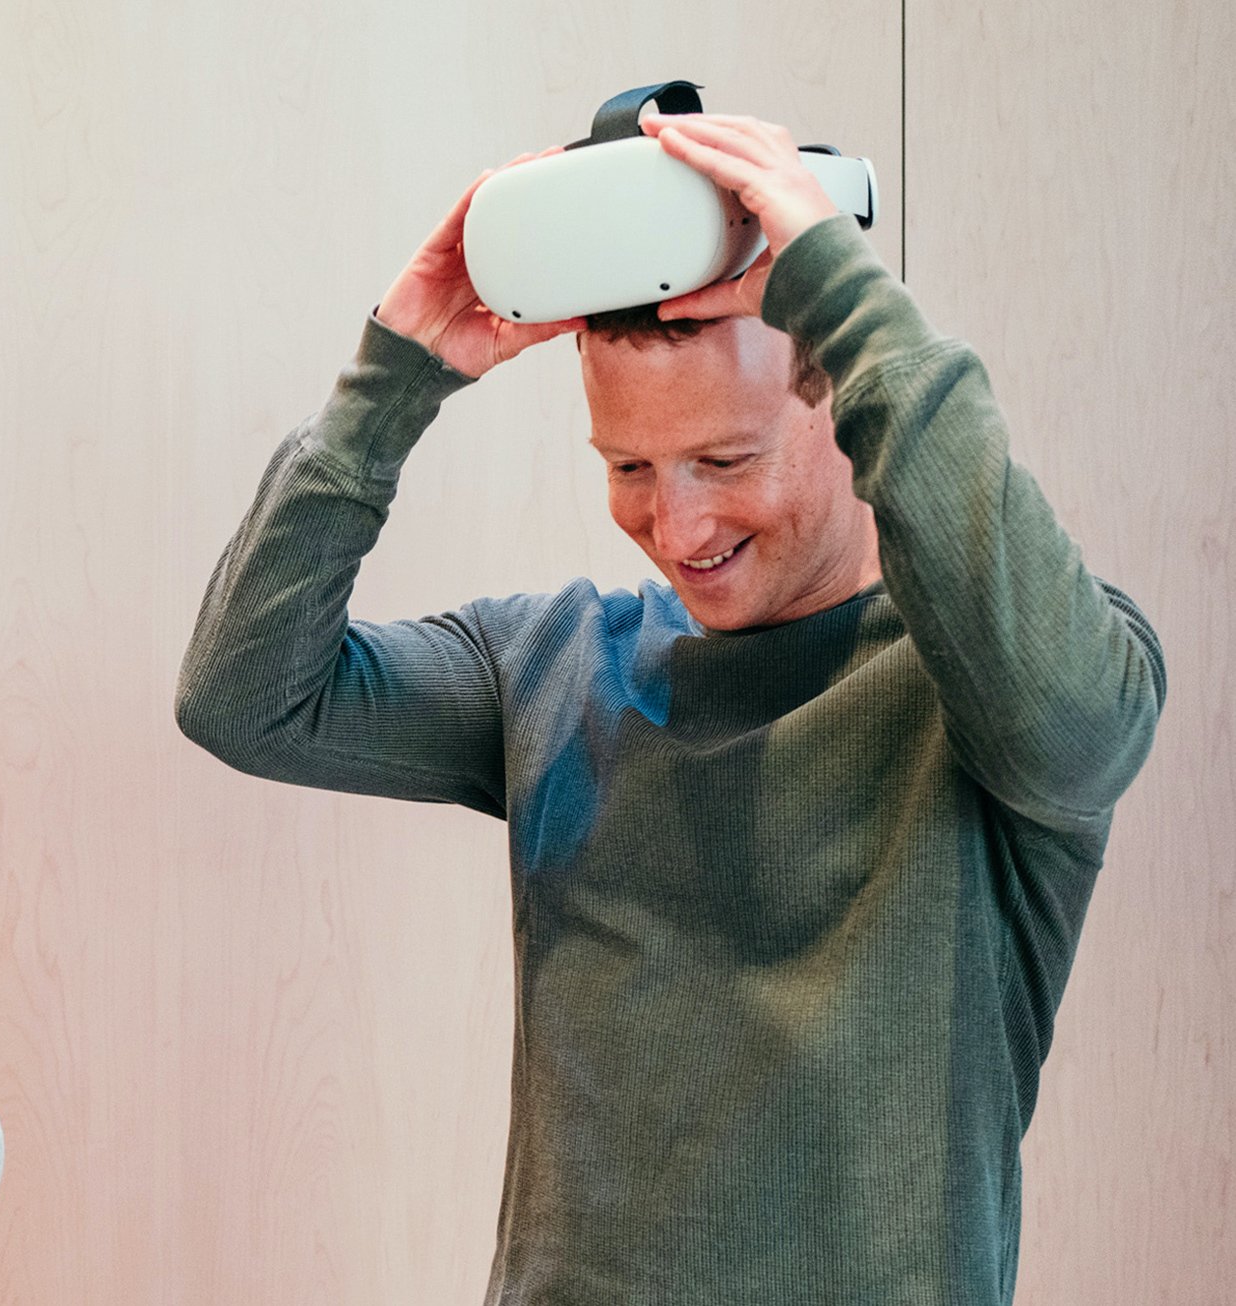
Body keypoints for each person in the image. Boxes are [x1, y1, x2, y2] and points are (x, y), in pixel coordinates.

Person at [174, 111, 1165, 1303]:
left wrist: (853, 307)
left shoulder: (991, 681)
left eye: (727, 461)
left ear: (847, 404)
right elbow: (243, 696)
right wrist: (393, 379)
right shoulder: (548, 664)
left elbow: (1076, 728)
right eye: (628, 468)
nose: (677, 528)